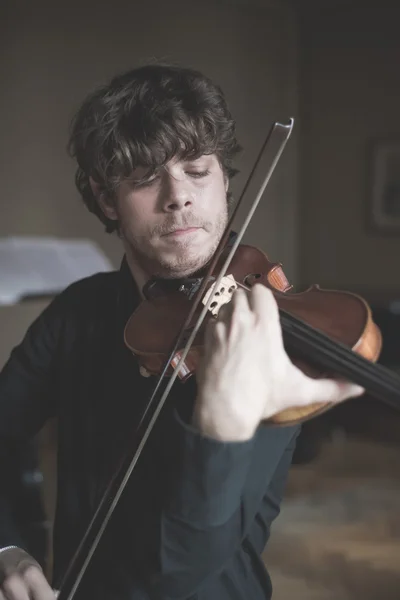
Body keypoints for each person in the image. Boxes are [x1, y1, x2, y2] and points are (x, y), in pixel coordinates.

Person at [0, 63, 363, 600]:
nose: (179, 196)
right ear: (106, 199)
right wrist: (6, 547)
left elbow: (182, 573)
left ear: (223, 182)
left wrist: (223, 416)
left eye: (197, 170)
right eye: (146, 177)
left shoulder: (264, 336)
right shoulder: (77, 313)